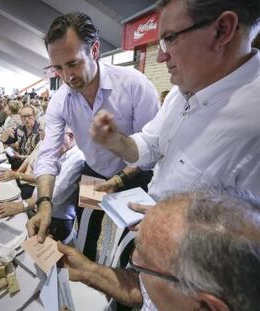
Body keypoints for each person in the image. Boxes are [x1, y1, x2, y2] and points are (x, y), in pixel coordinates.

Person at [90, 0, 260, 201]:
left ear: (222, 30)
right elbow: (151, 144)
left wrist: (175, 224)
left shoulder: (252, 125)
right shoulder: (181, 92)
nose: (161, 57)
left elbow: (245, 229)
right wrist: (115, 141)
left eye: (170, 38)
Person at [27, 12, 159, 257]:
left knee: (134, 244)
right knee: (86, 231)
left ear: (95, 50)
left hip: (136, 174)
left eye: (73, 63)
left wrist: (120, 178)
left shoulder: (134, 85)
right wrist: (44, 203)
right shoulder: (61, 99)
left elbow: (153, 151)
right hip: (96, 171)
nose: (67, 77)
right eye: (58, 68)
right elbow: (47, 156)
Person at [58, 189, 260, 311]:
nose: (133, 265)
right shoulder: (184, 295)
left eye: (142, 267)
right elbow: (145, 293)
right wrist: (87, 271)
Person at [0, 129, 85, 241]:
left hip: (56, 221)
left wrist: (23, 205)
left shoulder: (78, 158)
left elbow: (55, 194)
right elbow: (40, 175)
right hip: (39, 208)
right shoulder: (60, 150)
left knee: (13, 236)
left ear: (71, 137)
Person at [1, 105, 41, 170]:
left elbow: (39, 156)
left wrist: (20, 156)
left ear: (34, 115)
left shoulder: (40, 132)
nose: (26, 119)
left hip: (33, 167)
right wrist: (5, 134)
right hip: (18, 163)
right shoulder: (20, 129)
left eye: (29, 116)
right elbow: (5, 142)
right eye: (24, 116)